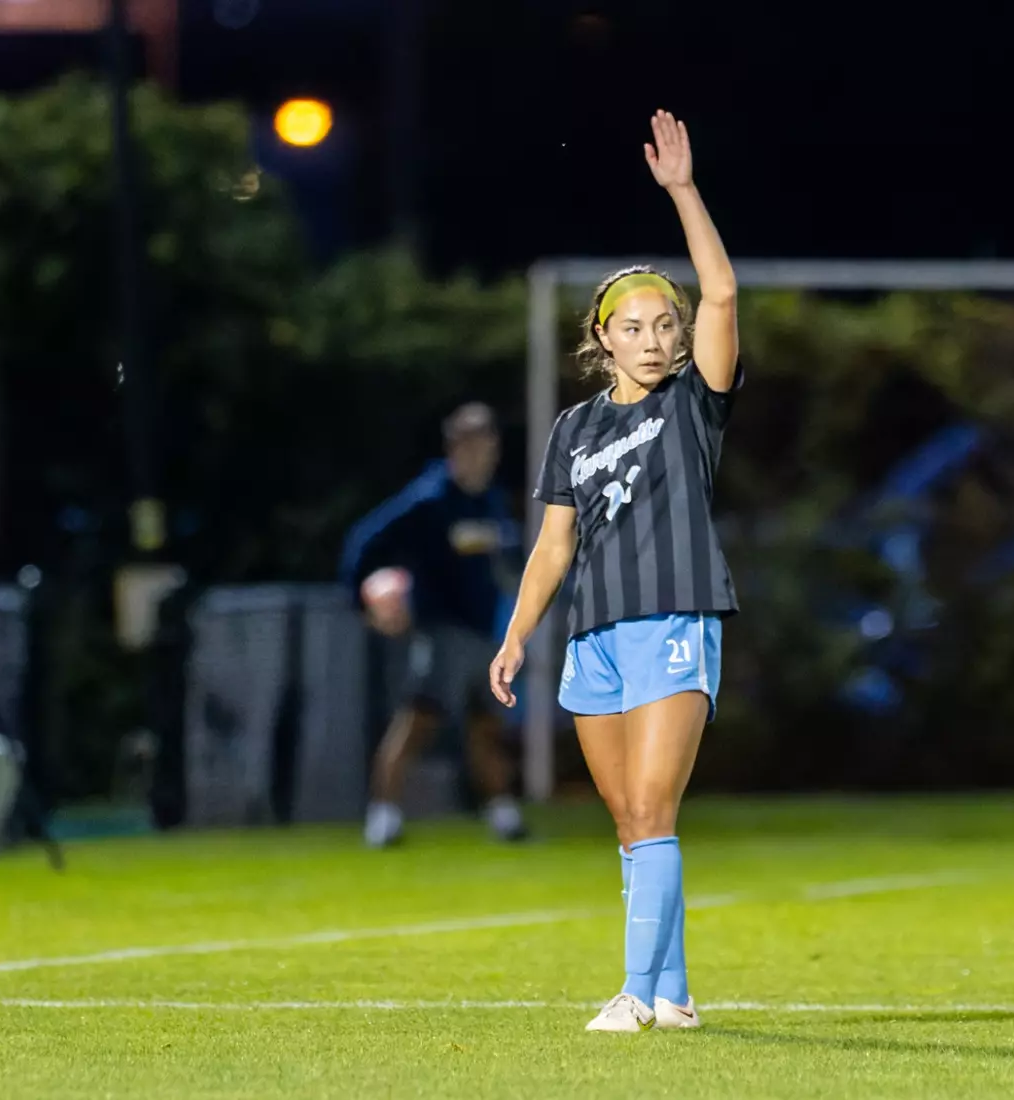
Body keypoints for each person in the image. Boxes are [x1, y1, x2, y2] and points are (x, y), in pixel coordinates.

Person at [489, 111, 741, 1033]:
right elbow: (554, 547)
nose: (650, 336)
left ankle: (634, 993)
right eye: (630, 325)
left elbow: (721, 293)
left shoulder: (692, 405)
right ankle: (671, 995)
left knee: (652, 802)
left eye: (662, 323)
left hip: (676, 616)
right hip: (593, 634)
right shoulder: (572, 430)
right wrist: (516, 634)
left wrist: (680, 189)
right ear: (603, 337)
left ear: (678, 340)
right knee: (628, 822)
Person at [340, 401, 527, 848]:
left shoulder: (491, 501)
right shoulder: (430, 499)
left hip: (485, 632)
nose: (483, 451)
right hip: (442, 631)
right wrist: (364, 600)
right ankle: (382, 816)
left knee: (485, 724)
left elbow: (504, 559)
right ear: (456, 446)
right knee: (419, 721)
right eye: (473, 442)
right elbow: (365, 543)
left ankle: (503, 813)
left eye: (488, 442)